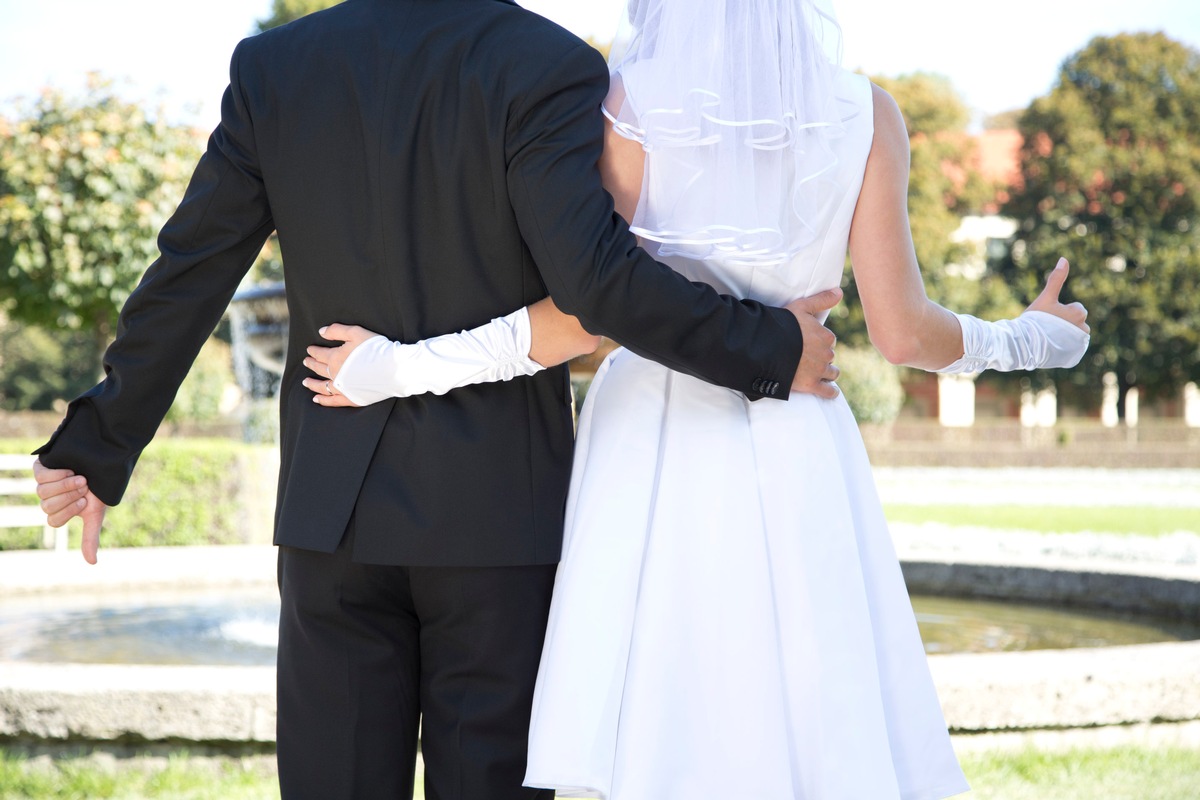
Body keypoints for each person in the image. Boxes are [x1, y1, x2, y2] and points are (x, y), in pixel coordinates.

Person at [30, 0, 849, 798]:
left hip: (331, 518)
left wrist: (98, 443)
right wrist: (770, 344)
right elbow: (598, 283)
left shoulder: (277, 66)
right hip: (500, 518)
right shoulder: (549, 62)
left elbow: (192, 269)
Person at [303, 0, 1091, 797]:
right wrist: (1032, 339)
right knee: (804, 710)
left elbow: (588, 315)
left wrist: (402, 367)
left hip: (649, 440)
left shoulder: (620, 108)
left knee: (654, 717)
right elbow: (903, 333)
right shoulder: (867, 114)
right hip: (799, 431)